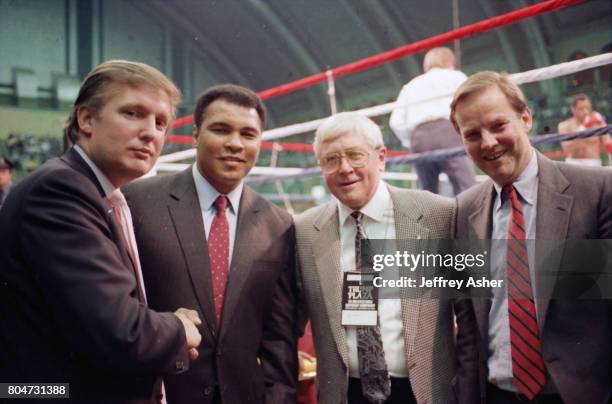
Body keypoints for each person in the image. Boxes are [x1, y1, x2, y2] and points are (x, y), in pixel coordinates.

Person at [0, 60, 202, 403]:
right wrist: (179, 328)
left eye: (160, 122)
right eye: (132, 113)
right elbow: (121, 331)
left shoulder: (96, 192)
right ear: (86, 119)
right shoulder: (61, 189)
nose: (150, 132)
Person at [124, 84, 298, 404]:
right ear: (194, 135)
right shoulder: (137, 202)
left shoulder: (279, 224)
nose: (235, 144)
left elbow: (279, 338)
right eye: (221, 130)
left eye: (248, 134)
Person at [450, 71, 612, 404]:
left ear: (525, 118)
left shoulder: (596, 192)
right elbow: (469, 328)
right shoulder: (463, 211)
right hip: (497, 394)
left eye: (498, 125)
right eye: (473, 134)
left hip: (576, 394)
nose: (489, 142)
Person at [295, 111, 465, 404]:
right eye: (331, 159)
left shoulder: (439, 214)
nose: (345, 168)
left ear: (382, 157)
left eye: (355, 155)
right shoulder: (305, 230)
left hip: (425, 392)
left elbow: (470, 314)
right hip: (344, 394)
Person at [390, 47, 475, 195]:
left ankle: (431, 218)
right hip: (448, 132)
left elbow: (395, 121)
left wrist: (411, 141)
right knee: (467, 188)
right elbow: (472, 104)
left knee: (427, 193)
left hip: (419, 139)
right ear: (450, 62)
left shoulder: (411, 85)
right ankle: (472, 218)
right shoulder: (455, 76)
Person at [557, 93, 612, 166]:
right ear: (573, 109)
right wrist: (584, 128)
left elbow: (608, 145)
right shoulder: (564, 126)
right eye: (581, 108)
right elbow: (567, 148)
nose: (585, 111)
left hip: (593, 163)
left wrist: (602, 125)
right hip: (573, 163)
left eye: (587, 108)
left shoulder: (597, 122)